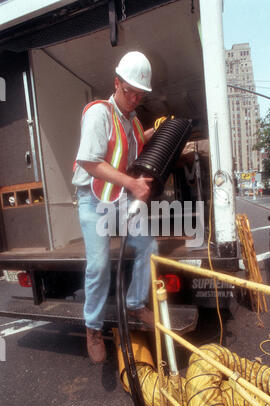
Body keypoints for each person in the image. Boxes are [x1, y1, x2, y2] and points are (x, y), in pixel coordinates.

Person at [72, 51, 158, 364]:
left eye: (140, 94)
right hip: (93, 199)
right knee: (98, 266)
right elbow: (89, 161)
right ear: (116, 83)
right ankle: (93, 329)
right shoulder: (100, 113)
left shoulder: (132, 122)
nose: (134, 98)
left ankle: (135, 302)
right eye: (129, 91)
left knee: (148, 245)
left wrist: (153, 133)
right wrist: (133, 184)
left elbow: (131, 146)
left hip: (118, 198)